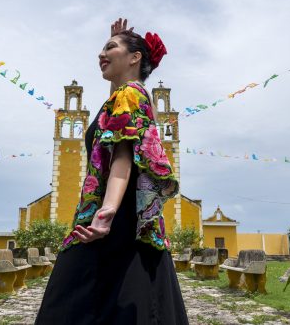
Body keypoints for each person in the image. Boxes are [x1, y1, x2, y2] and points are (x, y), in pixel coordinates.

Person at [34, 18, 189, 325]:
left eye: (110, 48)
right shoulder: (126, 95)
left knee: (72, 302)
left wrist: (105, 213)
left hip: (116, 219)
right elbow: (119, 107)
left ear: (135, 58)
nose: (100, 54)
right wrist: (116, 41)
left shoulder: (130, 94)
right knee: (128, 303)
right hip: (126, 219)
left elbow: (122, 155)